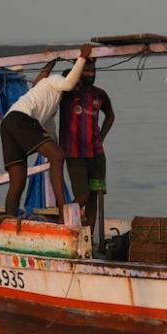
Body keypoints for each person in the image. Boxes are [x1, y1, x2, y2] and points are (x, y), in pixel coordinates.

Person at [0, 43, 93, 225]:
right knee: (57, 156)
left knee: (18, 180)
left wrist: (51, 60)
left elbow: (49, 134)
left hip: (8, 123)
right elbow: (68, 82)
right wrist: (82, 57)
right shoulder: (55, 81)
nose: (75, 90)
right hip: (20, 118)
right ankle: (61, 211)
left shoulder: (50, 104)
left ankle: (8, 220)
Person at [59, 58, 115, 231]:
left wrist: (101, 137)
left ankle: (89, 238)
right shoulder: (68, 92)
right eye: (86, 70)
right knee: (82, 196)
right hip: (74, 154)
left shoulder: (100, 94)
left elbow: (110, 115)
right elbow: (62, 77)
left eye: (93, 71)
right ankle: (65, 225)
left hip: (96, 155)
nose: (91, 74)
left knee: (94, 197)